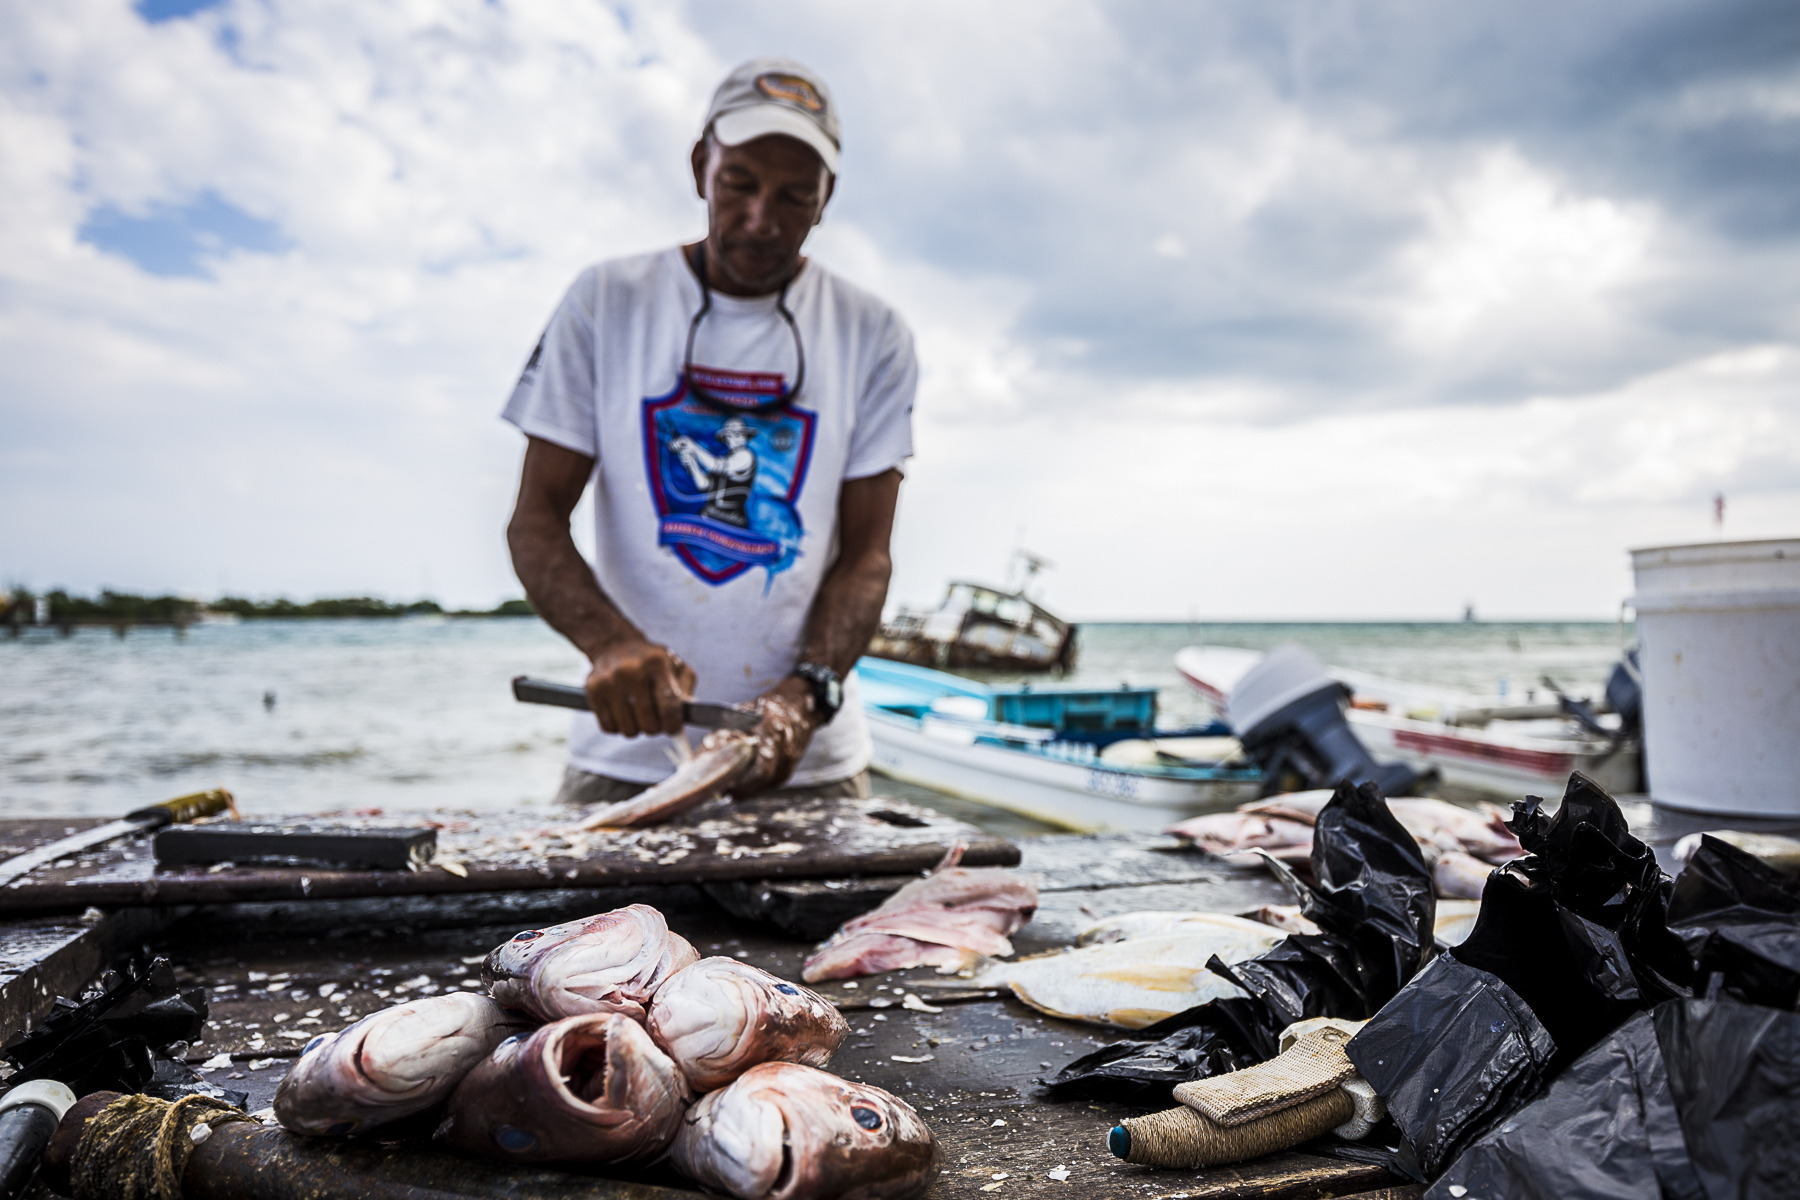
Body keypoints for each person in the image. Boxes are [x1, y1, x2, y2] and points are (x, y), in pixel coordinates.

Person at [503, 57, 915, 805]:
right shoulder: (606, 301)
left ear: (827, 199)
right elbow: (535, 521)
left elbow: (866, 557)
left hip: (812, 768)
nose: (762, 220)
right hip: (626, 761)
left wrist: (805, 693)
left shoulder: (873, 332)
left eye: (795, 195)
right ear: (701, 166)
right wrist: (612, 645)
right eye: (739, 185)